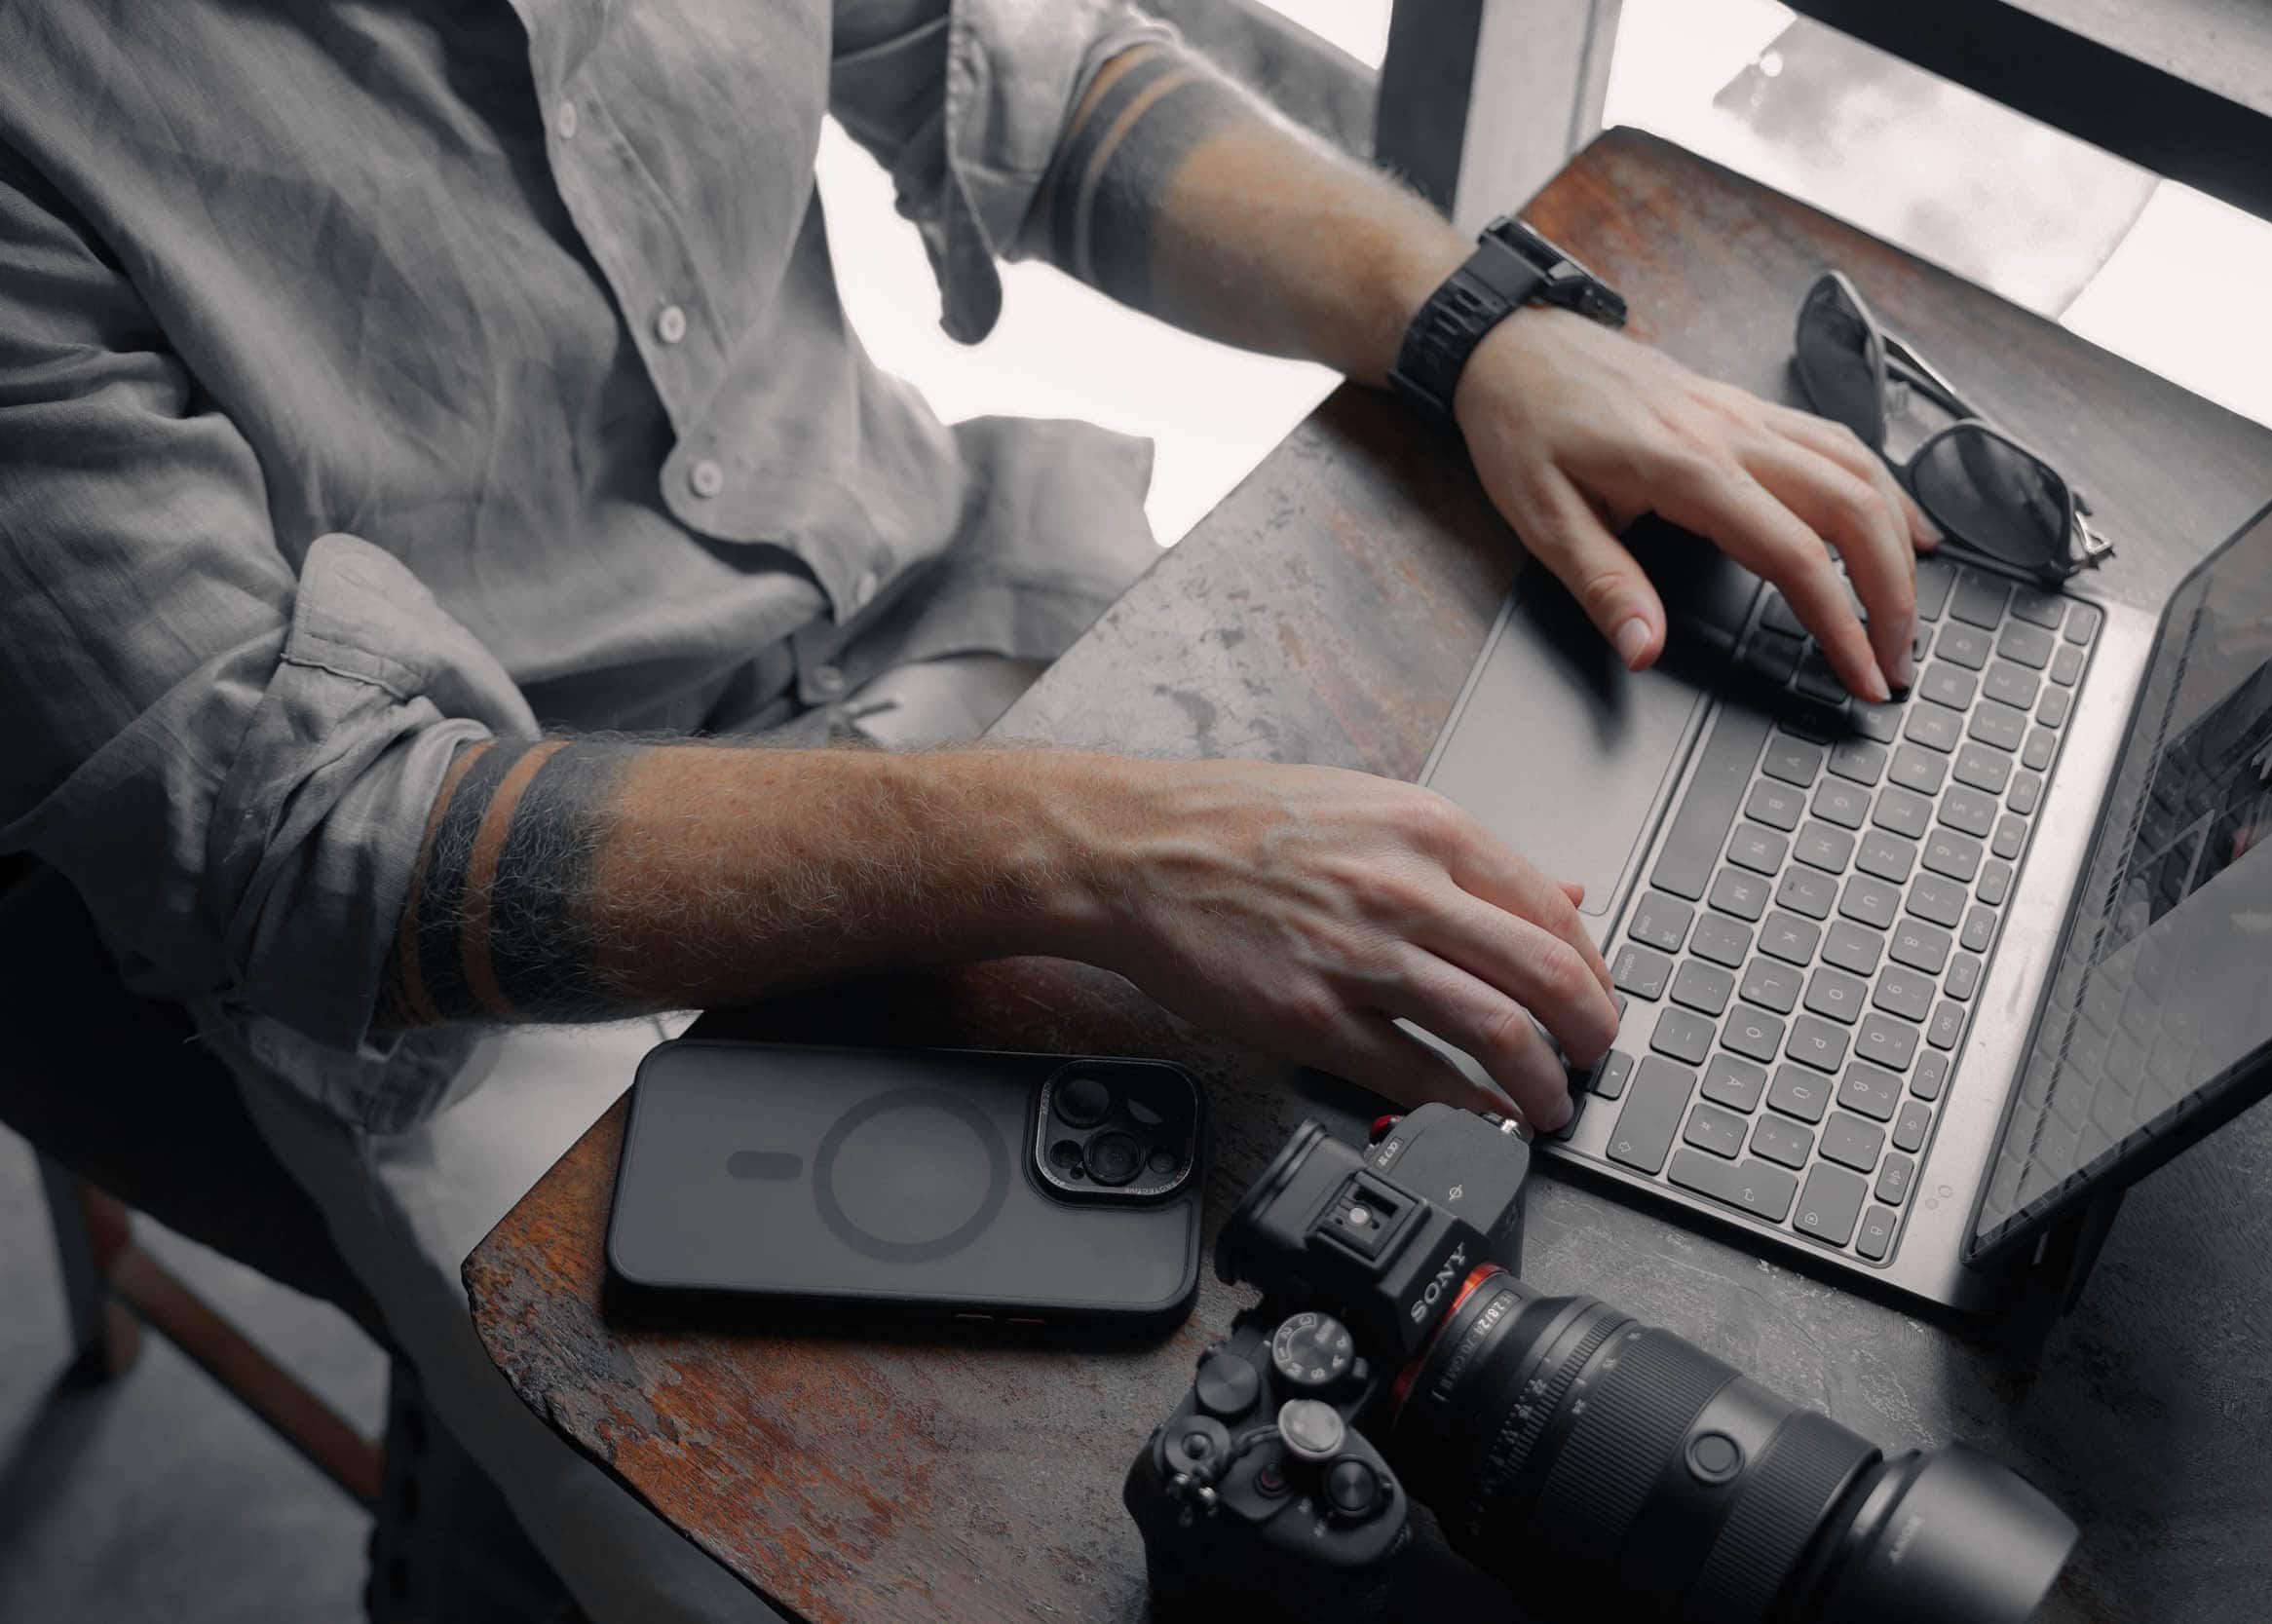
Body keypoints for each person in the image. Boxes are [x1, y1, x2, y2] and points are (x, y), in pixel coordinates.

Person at [0, 2, 1931, 1617]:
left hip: (954, 613)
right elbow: (308, 849)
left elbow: (1019, 66)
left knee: (1556, 1177)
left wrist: (1478, 326)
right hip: (484, 941)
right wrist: (1078, 851)